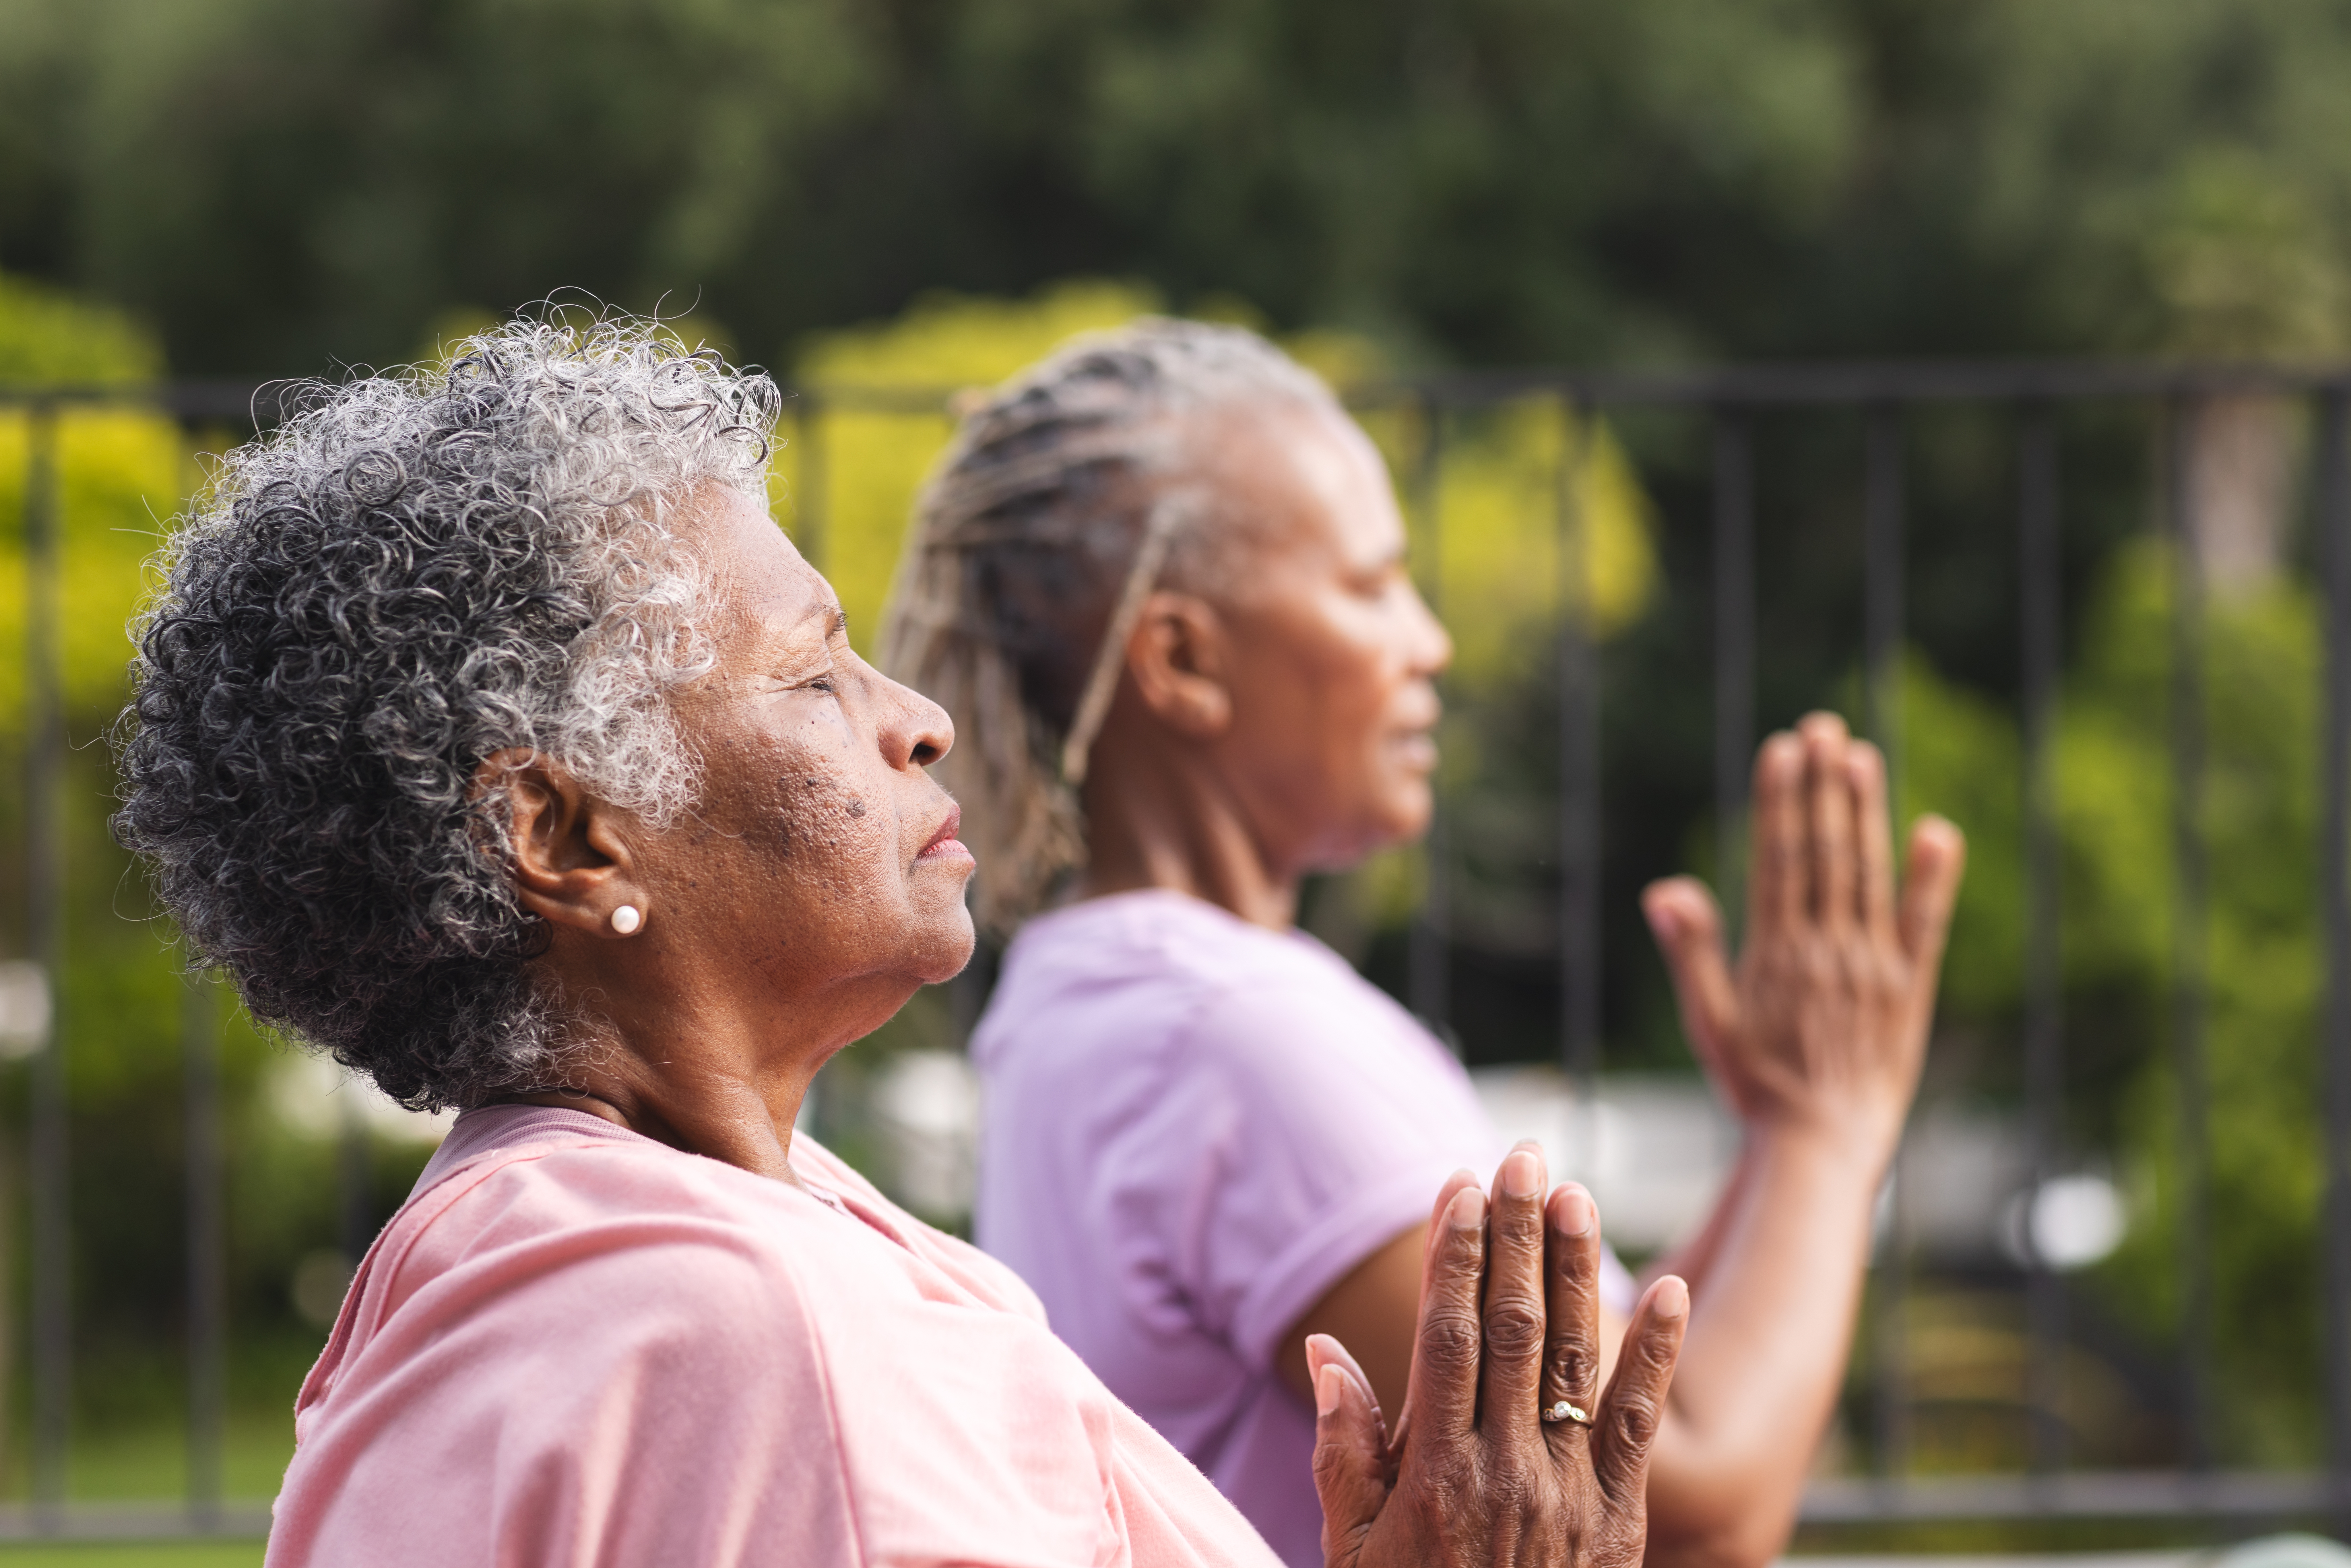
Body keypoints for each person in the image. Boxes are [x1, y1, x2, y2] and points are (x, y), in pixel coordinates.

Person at [114, 315, 1689, 1568]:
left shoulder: (568, 1240)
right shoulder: (753, 1334)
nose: (919, 722)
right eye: (815, 675)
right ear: (569, 835)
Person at [882, 319, 1968, 1568]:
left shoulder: (1092, 998)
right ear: (1183, 659)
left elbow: (1597, 1391)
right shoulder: (1238, 1036)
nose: (1428, 640)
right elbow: (1691, 1510)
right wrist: (1831, 1133)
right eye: (1370, 585)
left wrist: (1782, 1134)